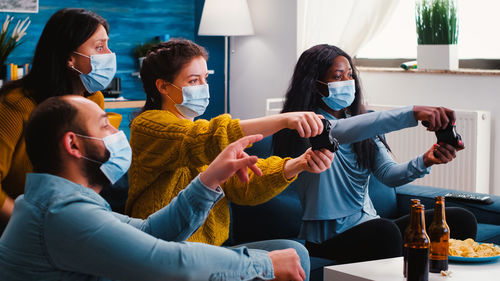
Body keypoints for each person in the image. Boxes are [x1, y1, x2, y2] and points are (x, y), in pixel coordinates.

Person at [0, 95, 309, 281]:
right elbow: (171, 264)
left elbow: (148, 232)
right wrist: (264, 264)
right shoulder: (59, 214)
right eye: (106, 125)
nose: (116, 133)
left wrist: (209, 179)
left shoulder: (46, 201)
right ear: (73, 144)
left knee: (291, 252)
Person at [273, 44, 476, 264]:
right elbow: (339, 130)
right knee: (386, 233)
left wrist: (427, 159)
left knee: (459, 220)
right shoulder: (302, 126)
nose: (348, 82)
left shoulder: (362, 124)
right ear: (314, 83)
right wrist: (413, 113)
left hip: (370, 225)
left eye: (350, 75)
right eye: (338, 77)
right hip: (328, 239)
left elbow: (389, 175)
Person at [125, 39, 335, 247]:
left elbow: (243, 186)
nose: (203, 87)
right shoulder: (148, 127)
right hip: (164, 248)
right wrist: (284, 120)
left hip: (214, 249)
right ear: (163, 86)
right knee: (294, 251)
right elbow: (206, 137)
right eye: (193, 81)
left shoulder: (203, 137)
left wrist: (299, 163)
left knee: (294, 251)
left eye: (205, 78)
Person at [0, 8, 121, 229]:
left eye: (108, 45)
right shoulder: (15, 105)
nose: (110, 55)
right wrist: (26, 224)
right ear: (69, 58)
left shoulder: (94, 100)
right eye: (100, 47)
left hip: (69, 217)